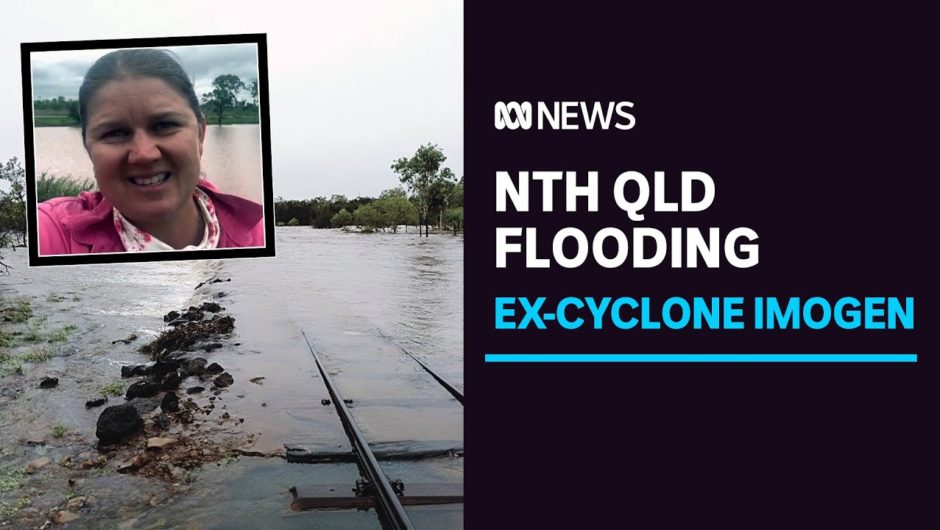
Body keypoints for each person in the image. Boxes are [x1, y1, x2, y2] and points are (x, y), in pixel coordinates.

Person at [37, 48, 264, 254]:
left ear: (200, 134)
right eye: (115, 133)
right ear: (88, 148)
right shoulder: (52, 233)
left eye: (164, 125)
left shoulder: (259, 233)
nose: (144, 154)